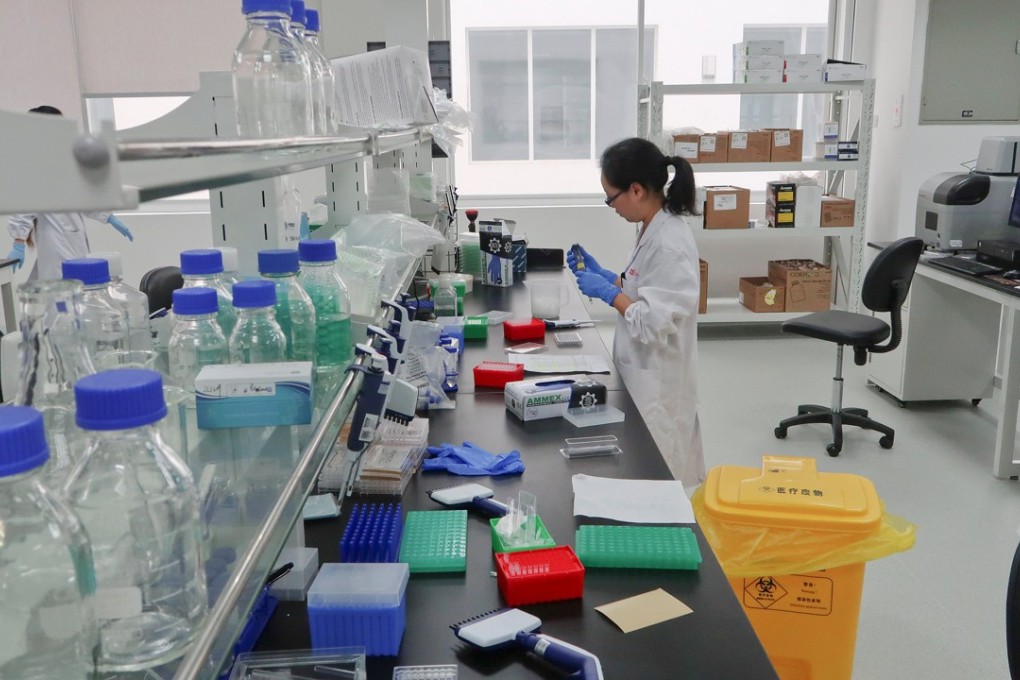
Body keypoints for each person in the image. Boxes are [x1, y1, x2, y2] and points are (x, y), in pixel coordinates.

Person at [568, 137, 705, 486]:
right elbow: (644, 288)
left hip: (659, 386)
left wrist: (611, 294)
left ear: (637, 190)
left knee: (656, 479)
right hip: (642, 375)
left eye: (611, 198)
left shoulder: (669, 243)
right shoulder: (652, 226)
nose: (611, 206)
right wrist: (607, 276)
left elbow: (651, 323)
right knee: (641, 472)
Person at [6, 106, 134, 279]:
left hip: (70, 238)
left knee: (65, 286)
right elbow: (25, 207)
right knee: (62, 288)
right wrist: (19, 242)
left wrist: (108, 216)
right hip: (57, 240)